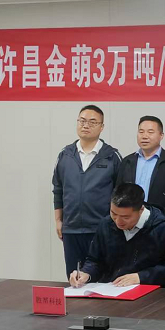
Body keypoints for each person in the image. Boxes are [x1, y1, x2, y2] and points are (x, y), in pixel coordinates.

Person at [69, 183, 165, 289]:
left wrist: (141, 277)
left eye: (125, 217)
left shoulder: (164, 228)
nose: (118, 221)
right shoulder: (106, 224)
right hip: (113, 291)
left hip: (154, 295)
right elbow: (95, 260)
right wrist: (86, 273)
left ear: (141, 210)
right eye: (113, 214)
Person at [53, 104, 121, 278]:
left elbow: (120, 193)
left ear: (101, 127)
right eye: (82, 121)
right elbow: (58, 189)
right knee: (74, 278)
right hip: (71, 229)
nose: (86, 125)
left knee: (102, 278)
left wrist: (115, 223)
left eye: (92, 122)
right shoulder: (65, 155)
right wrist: (59, 220)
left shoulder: (111, 156)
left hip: (102, 228)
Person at [116, 116, 165, 217]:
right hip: (129, 219)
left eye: (150, 132)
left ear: (161, 135)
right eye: (141, 132)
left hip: (160, 220)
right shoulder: (127, 161)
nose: (144, 136)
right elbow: (118, 193)